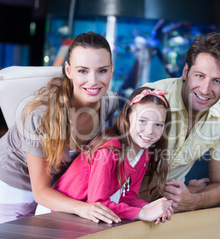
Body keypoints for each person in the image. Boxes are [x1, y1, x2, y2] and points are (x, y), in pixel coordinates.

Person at [0, 32, 121, 232]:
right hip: (2, 193)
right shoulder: (40, 116)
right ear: (68, 70)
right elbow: (40, 191)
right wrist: (83, 208)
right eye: (83, 71)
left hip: (51, 198)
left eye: (101, 70)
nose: (93, 81)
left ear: (111, 70)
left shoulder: (109, 103)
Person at [139, 32, 220, 212]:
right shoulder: (150, 100)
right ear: (185, 71)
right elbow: (122, 186)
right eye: (200, 76)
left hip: (168, 210)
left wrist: (193, 199)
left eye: (216, 81)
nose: (205, 89)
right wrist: (176, 195)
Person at [42, 87, 174, 224]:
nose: (150, 131)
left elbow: (127, 197)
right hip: (55, 214)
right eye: (142, 121)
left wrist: (148, 206)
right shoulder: (109, 149)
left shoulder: (144, 153)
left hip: (81, 218)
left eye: (158, 124)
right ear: (127, 117)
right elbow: (97, 203)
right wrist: (142, 213)